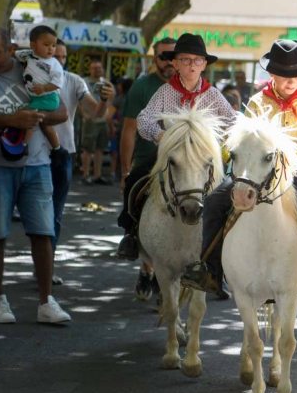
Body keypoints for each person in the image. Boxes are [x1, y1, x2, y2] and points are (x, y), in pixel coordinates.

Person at [181, 39, 297, 295]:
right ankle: (208, 268)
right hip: (255, 171)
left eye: (296, 76)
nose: (290, 81)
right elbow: (245, 136)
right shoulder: (258, 101)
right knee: (214, 202)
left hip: (296, 169)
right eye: (284, 76)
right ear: (272, 74)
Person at [0, 27, 71, 324]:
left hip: (37, 165)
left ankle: (47, 302)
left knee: (43, 233)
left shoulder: (32, 66)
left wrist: (34, 117)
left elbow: (60, 112)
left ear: (10, 49)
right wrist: (14, 119)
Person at [116, 33, 237, 261]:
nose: (192, 65)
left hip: (204, 158)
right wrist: (161, 136)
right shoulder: (165, 92)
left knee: (231, 191)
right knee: (135, 179)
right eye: (186, 60)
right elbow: (144, 119)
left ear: (204, 64)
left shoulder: (212, 95)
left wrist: (227, 140)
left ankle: (227, 242)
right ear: (175, 63)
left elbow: (233, 121)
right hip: (171, 153)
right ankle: (130, 232)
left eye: (197, 60)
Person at [119, 38, 176, 296]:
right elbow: (129, 130)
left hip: (182, 161)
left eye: (174, 57)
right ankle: (132, 239)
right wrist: (125, 170)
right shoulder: (141, 87)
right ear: (154, 58)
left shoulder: (190, 85)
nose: (169, 62)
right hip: (147, 160)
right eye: (164, 56)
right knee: (136, 197)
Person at [49, 45, 112, 271]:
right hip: (31, 156)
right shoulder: (29, 77)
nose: (59, 60)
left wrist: (104, 99)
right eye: (54, 56)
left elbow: (97, 112)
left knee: (54, 216)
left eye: (63, 57)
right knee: (34, 217)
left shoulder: (74, 80)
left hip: (62, 154)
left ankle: (46, 267)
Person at [8, 25, 68, 160]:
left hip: (48, 97)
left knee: (30, 117)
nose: (51, 49)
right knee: (45, 126)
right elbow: (15, 54)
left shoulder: (54, 64)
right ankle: (57, 149)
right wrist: (10, 50)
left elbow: (58, 83)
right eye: (46, 44)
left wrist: (45, 88)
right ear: (33, 45)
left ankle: (23, 145)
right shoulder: (28, 55)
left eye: (53, 45)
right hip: (35, 97)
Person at [79, 59, 111, 185]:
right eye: (95, 68)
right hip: (90, 120)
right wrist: (84, 114)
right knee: (88, 149)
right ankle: (85, 175)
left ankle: (97, 175)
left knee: (100, 149)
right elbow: (78, 102)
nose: (98, 70)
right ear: (90, 69)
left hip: (103, 120)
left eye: (99, 68)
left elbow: (111, 99)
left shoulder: (106, 83)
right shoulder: (84, 82)